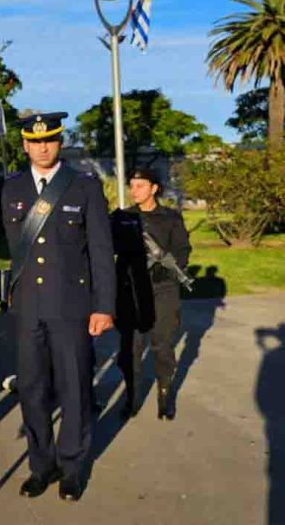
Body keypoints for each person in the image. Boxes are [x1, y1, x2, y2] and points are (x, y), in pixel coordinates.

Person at [1, 112, 115, 502]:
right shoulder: (11, 188)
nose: (42, 146)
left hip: (72, 307)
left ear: (59, 142)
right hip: (29, 309)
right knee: (32, 390)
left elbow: (101, 251)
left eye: (49, 139)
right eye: (34, 141)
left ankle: (71, 467)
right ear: (24, 145)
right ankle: (41, 465)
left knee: (75, 389)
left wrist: (104, 306)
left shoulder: (83, 187)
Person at [116, 168, 191, 420]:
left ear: (154, 188)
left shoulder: (170, 218)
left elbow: (182, 250)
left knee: (162, 346)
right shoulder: (122, 217)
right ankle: (132, 398)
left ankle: (165, 396)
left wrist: (168, 271)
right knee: (131, 349)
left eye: (139, 185)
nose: (133, 190)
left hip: (163, 291)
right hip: (131, 292)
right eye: (132, 185)